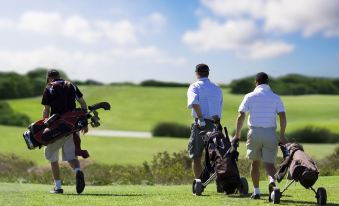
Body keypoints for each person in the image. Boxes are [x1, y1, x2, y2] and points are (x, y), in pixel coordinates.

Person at [233, 72, 287, 200]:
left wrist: (237, 134)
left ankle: (256, 192)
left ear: (256, 82)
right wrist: (282, 135)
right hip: (270, 133)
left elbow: (241, 115)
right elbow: (283, 116)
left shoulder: (249, 96)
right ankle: (272, 185)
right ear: (268, 82)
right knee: (269, 164)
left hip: (254, 133)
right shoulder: (276, 97)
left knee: (255, 163)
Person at [41, 69, 88, 194]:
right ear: (59, 76)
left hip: (56, 128)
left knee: (52, 157)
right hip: (73, 127)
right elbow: (83, 103)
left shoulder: (49, 87)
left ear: (49, 78)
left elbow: (46, 110)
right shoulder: (71, 85)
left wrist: (44, 126)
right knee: (72, 156)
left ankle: (58, 187)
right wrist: (85, 123)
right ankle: (78, 171)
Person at [187, 63, 223, 179]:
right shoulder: (216, 88)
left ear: (196, 73)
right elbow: (219, 106)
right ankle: (220, 183)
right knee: (216, 155)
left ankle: (199, 183)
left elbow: (194, 103)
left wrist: (201, 118)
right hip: (215, 124)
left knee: (196, 156)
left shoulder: (194, 86)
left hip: (200, 123)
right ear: (208, 73)